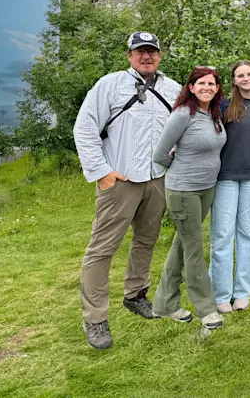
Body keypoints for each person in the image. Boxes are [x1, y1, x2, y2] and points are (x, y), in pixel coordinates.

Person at [74, 31, 181, 350]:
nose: (146, 56)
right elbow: (85, 127)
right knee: (102, 248)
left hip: (157, 178)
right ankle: (95, 317)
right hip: (119, 180)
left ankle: (136, 294)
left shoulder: (173, 89)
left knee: (146, 241)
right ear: (129, 55)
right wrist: (101, 172)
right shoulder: (110, 85)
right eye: (140, 51)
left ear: (160, 55)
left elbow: (180, 129)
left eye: (152, 51)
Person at [151, 66, 227, 332]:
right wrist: (180, 168)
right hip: (184, 191)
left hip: (206, 189)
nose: (207, 87)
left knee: (182, 246)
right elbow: (160, 155)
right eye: (201, 83)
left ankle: (164, 304)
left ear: (217, 89)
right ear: (191, 87)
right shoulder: (183, 115)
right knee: (194, 247)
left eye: (212, 84)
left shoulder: (213, 115)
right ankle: (206, 309)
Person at [209, 61, 250, 313]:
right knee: (222, 236)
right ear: (233, 80)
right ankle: (220, 295)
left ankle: (242, 292)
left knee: (247, 236)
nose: (245, 78)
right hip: (225, 177)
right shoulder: (222, 106)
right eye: (240, 75)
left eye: (249, 74)